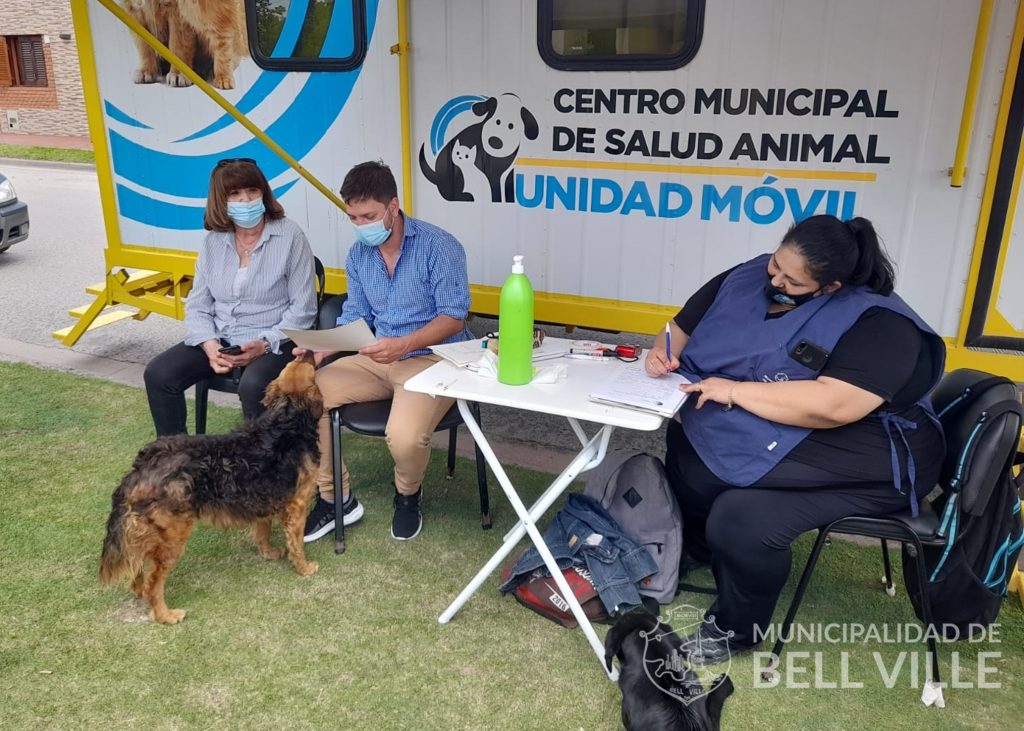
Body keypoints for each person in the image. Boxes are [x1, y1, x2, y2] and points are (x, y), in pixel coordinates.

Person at [644, 214, 946, 664]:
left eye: (792, 279)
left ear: (831, 287)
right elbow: (679, 327)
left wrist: (734, 391)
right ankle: (701, 546)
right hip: (806, 423)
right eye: (776, 266)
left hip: (875, 452)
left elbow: (834, 406)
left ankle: (736, 629)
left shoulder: (882, 324)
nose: (776, 279)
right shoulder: (751, 274)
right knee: (695, 437)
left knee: (742, 514)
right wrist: (660, 351)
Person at [300, 161, 471, 542]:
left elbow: (454, 317)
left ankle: (408, 495)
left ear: (394, 206)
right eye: (353, 217)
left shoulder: (439, 246)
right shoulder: (359, 255)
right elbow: (356, 314)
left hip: (433, 358)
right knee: (306, 398)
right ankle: (336, 499)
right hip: (377, 356)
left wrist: (405, 344)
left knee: (405, 437)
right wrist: (320, 350)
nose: (361, 225)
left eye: (369, 215)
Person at [144, 158, 317, 436]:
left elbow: (304, 309)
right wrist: (210, 346)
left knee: (253, 386)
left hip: (275, 340)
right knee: (158, 374)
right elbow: (198, 305)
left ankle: (264, 469)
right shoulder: (213, 241)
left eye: (252, 191)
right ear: (221, 201)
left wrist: (263, 344)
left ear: (264, 193)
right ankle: (177, 460)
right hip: (222, 338)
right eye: (234, 194)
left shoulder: (290, 235)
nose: (246, 200)